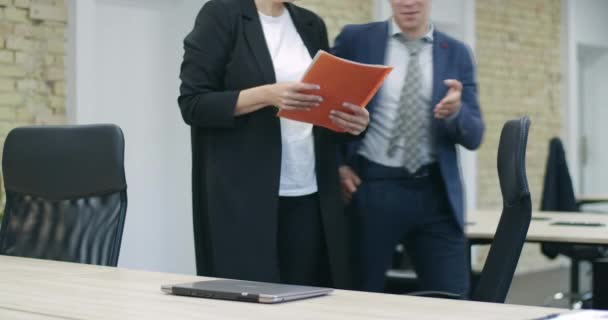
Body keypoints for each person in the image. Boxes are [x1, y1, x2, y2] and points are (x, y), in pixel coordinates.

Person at [178, 0, 369, 289]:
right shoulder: (221, 14)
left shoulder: (310, 23)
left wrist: (351, 122)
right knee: (251, 300)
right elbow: (193, 104)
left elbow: (321, 103)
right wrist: (267, 95)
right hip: (245, 196)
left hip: (309, 191)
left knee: (306, 297)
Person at [332, 0, 484, 295]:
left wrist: (455, 113)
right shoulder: (357, 40)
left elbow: (474, 134)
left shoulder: (456, 53)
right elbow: (327, 105)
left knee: (454, 300)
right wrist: (337, 164)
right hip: (373, 187)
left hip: (435, 193)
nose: (408, 2)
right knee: (359, 296)